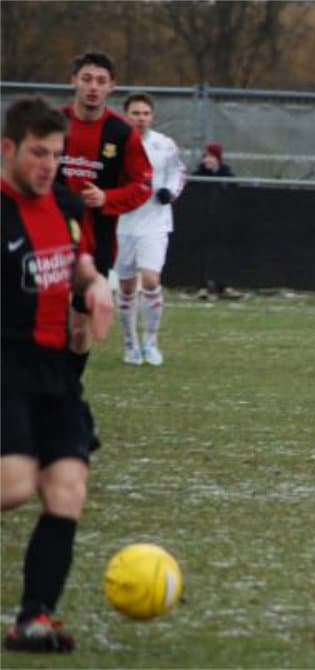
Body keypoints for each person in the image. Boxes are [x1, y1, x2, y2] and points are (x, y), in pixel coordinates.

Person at [2, 96, 114, 653]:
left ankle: (34, 620)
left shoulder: (68, 204)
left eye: (56, 154)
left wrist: (93, 287)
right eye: (37, 153)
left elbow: (80, 260)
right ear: (8, 149)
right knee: (15, 486)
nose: (48, 165)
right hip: (5, 365)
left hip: (59, 373)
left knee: (67, 490)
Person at [58, 50, 152, 447]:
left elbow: (142, 185)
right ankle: (58, 406)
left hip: (96, 244)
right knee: (38, 323)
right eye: (87, 78)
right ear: (74, 81)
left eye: (101, 81)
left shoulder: (122, 134)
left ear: (111, 87)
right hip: (47, 239)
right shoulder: (54, 124)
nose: (93, 87)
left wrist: (107, 198)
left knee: (79, 330)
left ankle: (65, 400)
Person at [114, 93, 187, 366]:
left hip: (155, 222)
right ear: (126, 115)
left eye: (145, 113)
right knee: (125, 286)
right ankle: (130, 342)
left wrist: (170, 192)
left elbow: (178, 172)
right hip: (122, 223)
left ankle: (151, 341)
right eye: (135, 113)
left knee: (151, 280)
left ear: (152, 116)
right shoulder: (116, 144)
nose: (141, 118)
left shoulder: (164, 144)